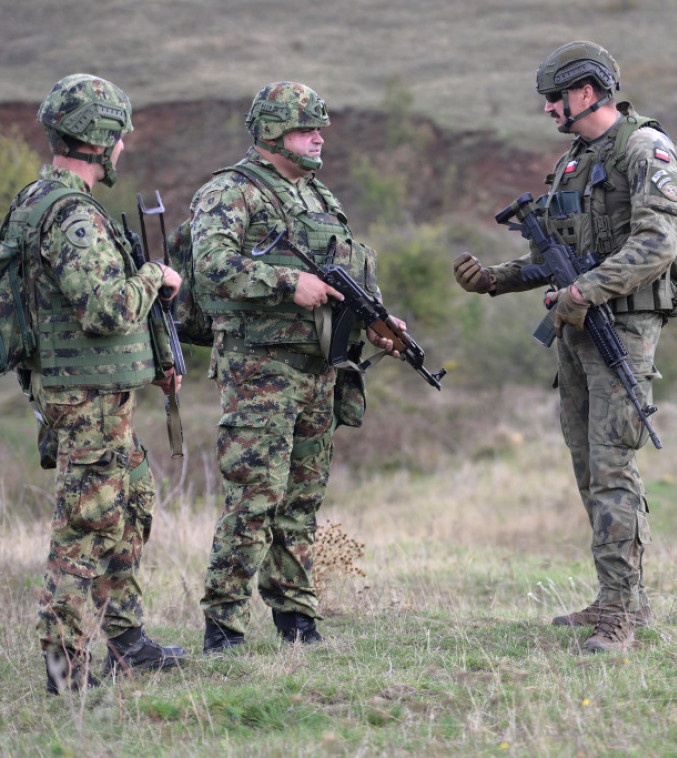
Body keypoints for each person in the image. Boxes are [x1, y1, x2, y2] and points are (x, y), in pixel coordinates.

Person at [454, 41, 677, 653]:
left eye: (553, 97)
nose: (546, 110)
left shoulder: (646, 151)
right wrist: (496, 279)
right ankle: (620, 600)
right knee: (589, 469)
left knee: (613, 466)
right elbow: (552, 258)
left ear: (586, 93)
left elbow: (656, 246)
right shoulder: (574, 163)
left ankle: (619, 615)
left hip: (622, 330)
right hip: (575, 327)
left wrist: (584, 291)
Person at [191, 81, 399, 653]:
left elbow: (345, 273)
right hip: (260, 369)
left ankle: (296, 620)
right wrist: (288, 282)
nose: (318, 137)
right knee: (254, 497)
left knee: (301, 502)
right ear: (271, 133)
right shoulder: (230, 192)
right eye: (306, 129)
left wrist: (380, 321)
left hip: (319, 368)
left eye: (319, 128)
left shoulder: (319, 197)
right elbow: (211, 266)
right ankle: (224, 628)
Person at [16, 73, 187, 694]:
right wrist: (155, 277)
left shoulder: (47, 201)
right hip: (83, 399)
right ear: (98, 138)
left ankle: (125, 641)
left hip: (97, 394)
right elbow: (105, 309)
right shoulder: (70, 215)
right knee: (87, 524)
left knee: (132, 499)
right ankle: (65, 669)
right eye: (118, 136)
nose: (123, 148)